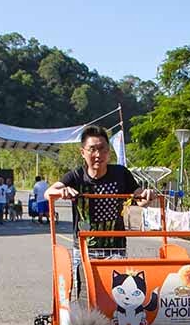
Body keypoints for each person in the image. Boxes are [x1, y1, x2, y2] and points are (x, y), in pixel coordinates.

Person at [46, 125, 155, 294]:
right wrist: (62, 191)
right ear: (83, 152)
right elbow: (48, 193)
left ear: (108, 152)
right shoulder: (76, 176)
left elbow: (139, 197)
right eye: (92, 149)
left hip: (115, 248)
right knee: (84, 294)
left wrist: (145, 195)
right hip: (84, 248)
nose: (98, 155)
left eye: (102, 149)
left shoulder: (121, 173)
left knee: (116, 294)